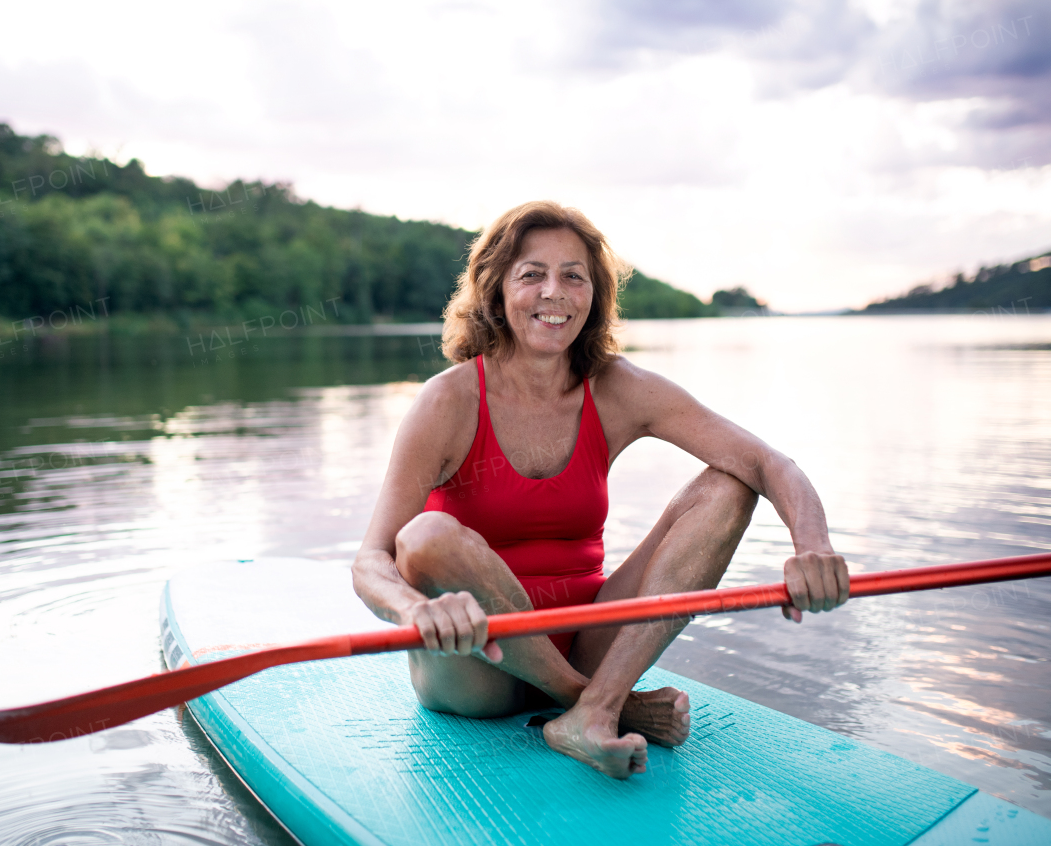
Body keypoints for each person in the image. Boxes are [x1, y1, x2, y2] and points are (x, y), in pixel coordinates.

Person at [351, 201, 848, 780]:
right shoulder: (446, 402)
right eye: (531, 273)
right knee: (428, 535)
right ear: (495, 290)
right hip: (476, 666)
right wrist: (419, 608)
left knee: (728, 486)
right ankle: (596, 704)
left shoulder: (617, 388)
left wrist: (811, 545)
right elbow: (371, 560)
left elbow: (765, 461)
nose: (553, 293)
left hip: (588, 642)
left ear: (595, 295)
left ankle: (594, 707)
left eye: (573, 275)